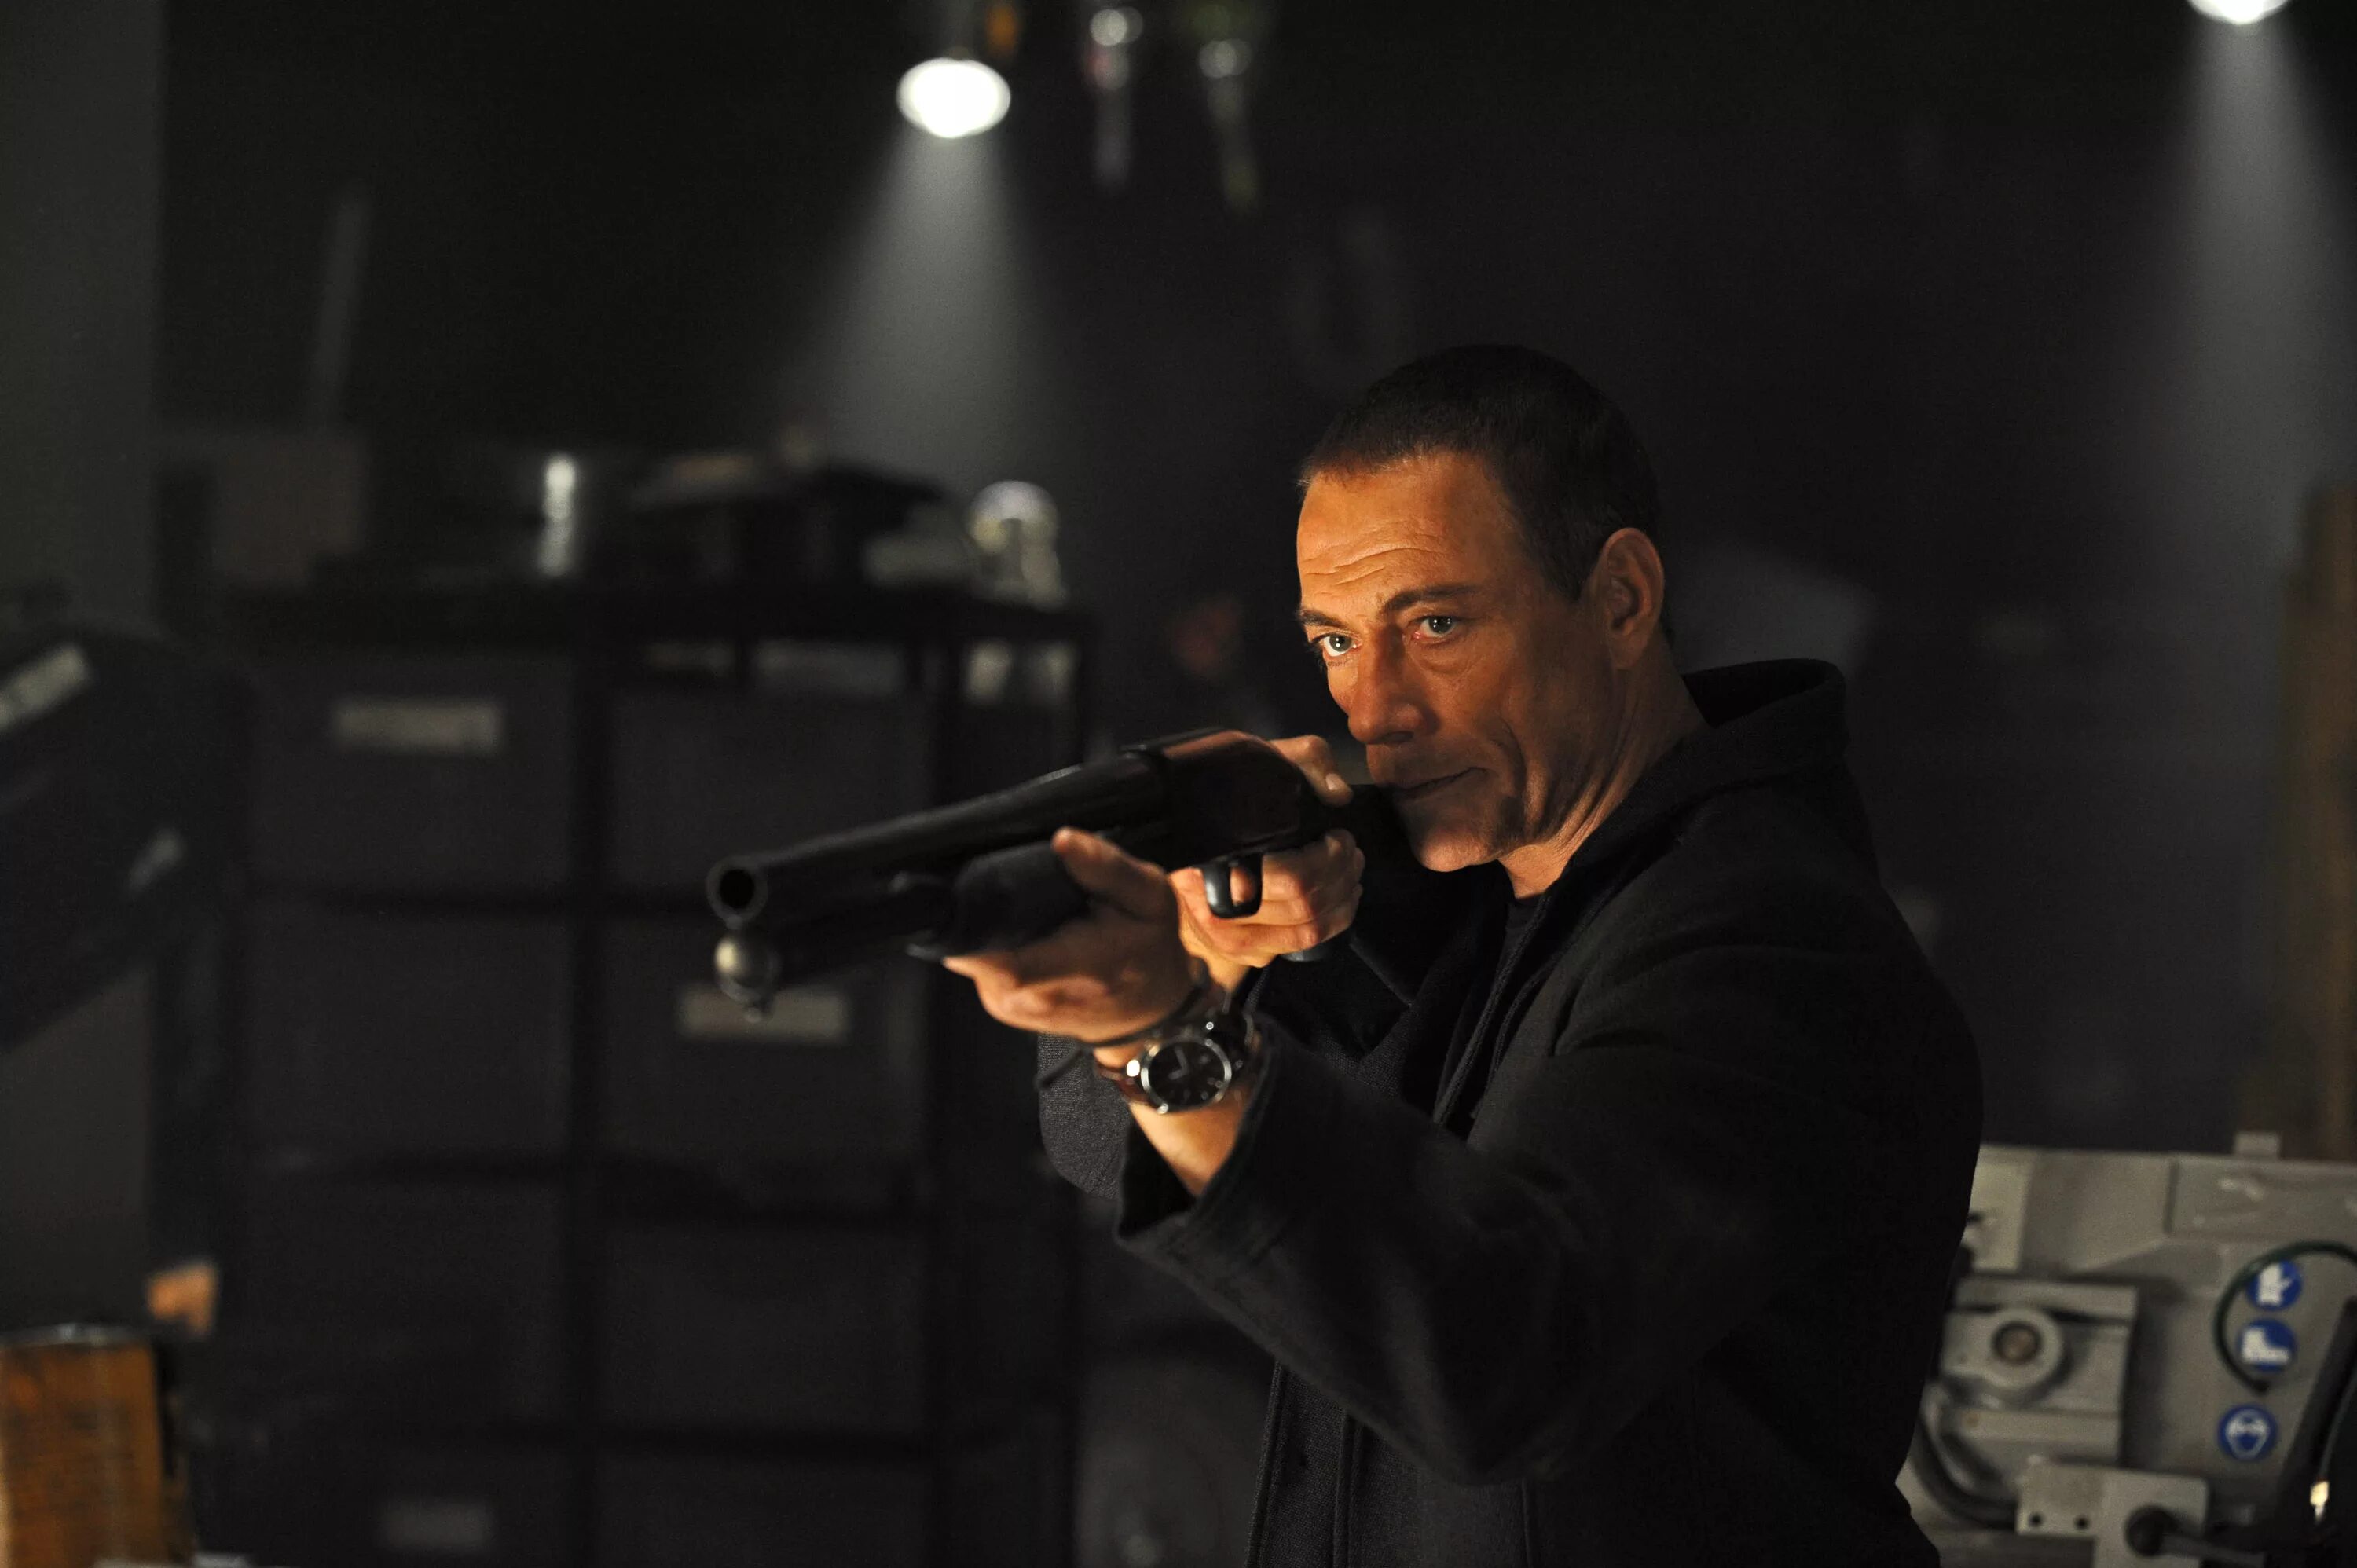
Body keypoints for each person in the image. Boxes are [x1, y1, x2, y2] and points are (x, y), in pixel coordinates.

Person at [944, 345, 1981, 1566]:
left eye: (1434, 626)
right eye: (1336, 643)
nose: (1374, 708)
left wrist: (1167, 1027)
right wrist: (1205, 962)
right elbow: (1095, 1138)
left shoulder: (1772, 941)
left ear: (1621, 600)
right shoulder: (1471, 906)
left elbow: (1505, 1354)